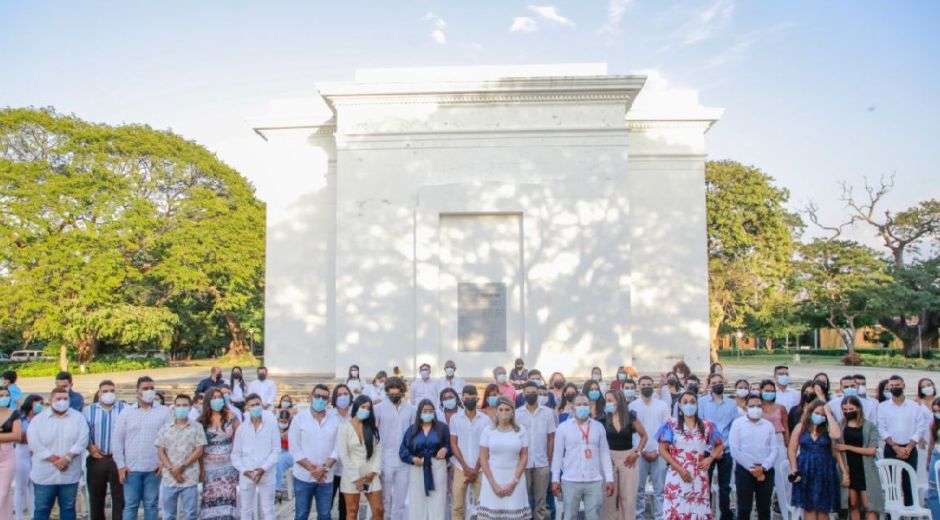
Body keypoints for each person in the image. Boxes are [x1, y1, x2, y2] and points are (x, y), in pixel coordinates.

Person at [656, 391, 723, 519]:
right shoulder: (671, 425)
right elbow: (662, 449)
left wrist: (710, 458)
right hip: (677, 474)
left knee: (698, 512)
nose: (689, 405)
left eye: (692, 402)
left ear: (697, 404)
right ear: (680, 406)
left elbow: (720, 444)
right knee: (676, 510)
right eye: (685, 402)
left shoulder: (707, 425)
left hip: (699, 476)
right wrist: (680, 469)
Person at [113, 376, 171, 520]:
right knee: (131, 506)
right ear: (137, 391)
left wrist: (163, 462)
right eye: (145, 388)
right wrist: (121, 466)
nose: (149, 391)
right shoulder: (126, 412)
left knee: (151, 505)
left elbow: (169, 439)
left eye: (152, 388)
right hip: (131, 469)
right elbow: (117, 440)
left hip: (154, 469)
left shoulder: (164, 412)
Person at [28, 386, 88, 520]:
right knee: (42, 509)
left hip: (69, 474)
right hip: (44, 474)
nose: (62, 401)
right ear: (50, 400)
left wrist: (67, 458)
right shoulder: (39, 420)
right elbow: (34, 442)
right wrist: (55, 460)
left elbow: (82, 440)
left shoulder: (78, 418)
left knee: (68, 508)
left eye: (65, 398)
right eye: (58, 398)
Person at [550, 395, 614, 520]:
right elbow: (557, 456)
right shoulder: (563, 427)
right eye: (579, 405)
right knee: (569, 516)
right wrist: (555, 479)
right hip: (570, 480)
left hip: (594, 480)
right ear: (573, 408)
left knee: (594, 517)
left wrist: (610, 478)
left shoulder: (598, 427)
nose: (582, 407)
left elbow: (605, 454)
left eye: (585, 404)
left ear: (589, 407)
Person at [289, 384, 340, 520]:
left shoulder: (335, 421)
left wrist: (324, 468)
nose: (320, 400)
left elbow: (338, 448)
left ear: (328, 401)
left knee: (325, 515)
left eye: (324, 397)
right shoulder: (298, 419)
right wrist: (314, 470)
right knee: (301, 514)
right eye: (317, 396)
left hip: (326, 478)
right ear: (310, 397)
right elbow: (294, 449)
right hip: (303, 477)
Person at [877, 374, 927, 507]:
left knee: (909, 482)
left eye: (897, 385)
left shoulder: (914, 406)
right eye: (892, 386)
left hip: (909, 448)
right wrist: (895, 447)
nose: (894, 388)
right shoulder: (882, 407)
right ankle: (891, 513)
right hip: (891, 447)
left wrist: (909, 447)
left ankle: (910, 513)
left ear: (903, 386)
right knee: (891, 483)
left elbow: (920, 428)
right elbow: (882, 429)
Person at [477, 396, 530, 519]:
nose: (504, 413)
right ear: (496, 411)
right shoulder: (488, 430)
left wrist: (513, 482)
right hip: (492, 480)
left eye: (507, 409)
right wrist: (493, 484)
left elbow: (524, 457)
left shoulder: (521, 430)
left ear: (512, 412)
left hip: (515, 480)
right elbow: (483, 458)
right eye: (500, 409)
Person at [788, 400, 842, 519]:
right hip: (805, 469)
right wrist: (794, 469)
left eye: (822, 415)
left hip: (824, 470)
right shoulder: (801, 427)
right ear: (810, 412)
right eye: (817, 413)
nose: (820, 416)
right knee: (809, 507)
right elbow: (792, 450)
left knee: (823, 509)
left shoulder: (828, 428)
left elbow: (837, 435)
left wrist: (828, 413)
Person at [155, 395, 206, 520]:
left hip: (189, 477)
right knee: (169, 515)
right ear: (174, 407)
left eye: (184, 405)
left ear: (189, 407)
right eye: (178, 405)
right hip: (169, 478)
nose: (181, 408)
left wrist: (182, 466)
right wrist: (172, 469)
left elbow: (199, 449)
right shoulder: (166, 428)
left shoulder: (197, 427)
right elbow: (160, 450)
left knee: (190, 514)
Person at [399, 399, 452, 520]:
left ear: (434, 412)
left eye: (430, 411)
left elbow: (450, 445)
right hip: (418, 466)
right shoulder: (412, 430)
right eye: (424, 411)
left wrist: (445, 450)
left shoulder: (442, 428)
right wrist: (412, 459)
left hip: (437, 466)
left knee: (437, 501)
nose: (427, 413)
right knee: (417, 501)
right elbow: (403, 450)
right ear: (419, 413)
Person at [728, 394, 777, 520]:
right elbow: (735, 450)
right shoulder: (737, 424)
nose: (756, 408)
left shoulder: (768, 425)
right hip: (745, 470)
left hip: (766, 471)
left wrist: (764, 467)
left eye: (759, 406)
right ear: (746, 406)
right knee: (744, 508)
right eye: (752, 406)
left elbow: (774, 449)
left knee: (764, 508)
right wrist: (752, 468)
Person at [231, 394, 279, 520]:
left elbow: (276, 451)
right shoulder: (241, 429)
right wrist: (246, 471)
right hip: (247, 475)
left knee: (268, 509)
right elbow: (235, 454)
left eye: (258, 404)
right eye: (252, 405)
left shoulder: (272, 426)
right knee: (246, 509)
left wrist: (263, 469)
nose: (256, 407)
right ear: (247, 408)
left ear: (262, 405)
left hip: (267, 473)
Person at [697, 373, 738, 520]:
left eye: (719, 382)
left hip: (726, 450)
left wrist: (722, 448)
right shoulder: (702, 402)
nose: (717, 385)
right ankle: (705, 514)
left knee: (724, 487)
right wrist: (715, 448)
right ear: (709, 385)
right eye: (714, 383)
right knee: (705, 485)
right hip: (708, 449)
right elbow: (701, 426)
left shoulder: (732, 404)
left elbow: (734, 428)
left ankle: (725, 515)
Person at [84, 380, 127, 520]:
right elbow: (83, 432)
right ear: (99, 393)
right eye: (105, 391)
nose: (109, 394)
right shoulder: (89, 410)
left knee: (120, 498)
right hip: (97, 458)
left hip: (119, 459)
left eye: (112, 391)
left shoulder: (125, 409)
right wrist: (89, 446)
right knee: (96, 498)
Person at [601, 389, 646, 520]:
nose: (607, 403)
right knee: (608, 499)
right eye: (606, 401)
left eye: (610, 401)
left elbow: (644, 436)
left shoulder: (631, 417)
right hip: (609, 459)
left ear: (619, 401)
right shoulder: (603, 419)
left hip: (628, 459)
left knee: (628, 499)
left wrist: (636, 453)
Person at [373, 377, 415, 519]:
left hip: (404, 460)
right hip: (384, 459)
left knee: (400, 500)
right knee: (384, 500)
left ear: (402, 393)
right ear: (387, 392)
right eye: (391, 395)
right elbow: (373, 435)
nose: (394, 397)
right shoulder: (378, 409)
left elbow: (413, 433)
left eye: (397, 395)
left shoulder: (410, 409)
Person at [836, 395, 883, 519]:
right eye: (845, 410)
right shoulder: (840, 425)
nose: (847, 412)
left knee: (869, 505)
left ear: (858, 409)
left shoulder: (869, 426)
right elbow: (836, 448)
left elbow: (871, 451)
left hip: (865, 468)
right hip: (849, 467)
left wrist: (847, 447)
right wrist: (844, 472)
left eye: (850, 409)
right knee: (853, 504)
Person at [629, 375, 669, 519]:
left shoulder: (662, 406)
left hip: (660, 453)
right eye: (643, 384)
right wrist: (642, 450)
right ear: (639, 387)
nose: (646, 387)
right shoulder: (632, 406)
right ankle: (640, 517)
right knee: (638, 490)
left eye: (649, 384)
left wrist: (658, 450)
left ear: (653, 386)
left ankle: (660, 517)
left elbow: (666, 430)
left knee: (660, 491)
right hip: (640, 453)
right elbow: (632, 433)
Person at [337, 395, 383, 520]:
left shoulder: (372, 428)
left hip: (371, 473)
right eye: (363, 407)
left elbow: (378, 450)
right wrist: (356, 478)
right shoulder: (344, 427)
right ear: (356, 407)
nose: (366, 410)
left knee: (379, 510)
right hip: (351, 474)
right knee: (352, 512)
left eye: (368, 408)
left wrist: (374, 471)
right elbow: (343, 455)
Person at [516, 382, 557, 520]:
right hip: (523, 464)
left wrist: (548, 460)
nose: (531, 395)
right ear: (523, 394)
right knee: (524, 501)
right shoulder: (517, 414)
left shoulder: (548, 413)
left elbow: (551, 438)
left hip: (542, 463)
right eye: (528, 392)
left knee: (541, 502)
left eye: (534, 392)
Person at [198, 386, 240, 520]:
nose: (217, 400)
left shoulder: (232, 417)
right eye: (214, 398)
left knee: (227, 499)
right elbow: (199, 448)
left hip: (228, 467)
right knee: (210, 500)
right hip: (209, 467)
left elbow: (239, 440)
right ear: (208, 401)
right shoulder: (201, 421)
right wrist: (201, 469)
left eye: (219, 397)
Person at [450, 385, 490, 520]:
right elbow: (453, 444)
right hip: (461, 468)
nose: (470, 401)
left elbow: (486, 447)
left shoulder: (485, 420)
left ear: (477, 399)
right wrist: (466, 467)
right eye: (467, 398)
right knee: (457, 507)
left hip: (481, 469)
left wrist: (476, 468)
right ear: (462, 399)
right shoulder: (455, 418)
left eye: (473, 399)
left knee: (483, 507)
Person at [759, 378, 791, 506]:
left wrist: (788, 448)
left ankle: (786, 511)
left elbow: (786, 428)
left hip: (778, 441)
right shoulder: (756, 407)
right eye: (767, 390)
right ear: (761, 391)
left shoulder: (781, 408)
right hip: (762, 443)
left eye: (772, 391)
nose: (770, 393)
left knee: (783, 478)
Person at [14, 395, 42, 520]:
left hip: (36, 454)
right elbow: (19, 437)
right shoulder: (20, 417)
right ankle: (18, 516)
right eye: (38, 403)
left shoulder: (42, 418)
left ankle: (33, 516)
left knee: (33, 486)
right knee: (20, 487)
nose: (41, 405)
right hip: (22, 453)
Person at [329, 384, 352, 520]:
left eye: (345, 394)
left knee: (346, 507)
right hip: (332, 467)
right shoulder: (329, 415)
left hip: (348, 469)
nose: (343, 397)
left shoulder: (355, 414)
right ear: (335, 398)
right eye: (339, 394)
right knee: (327, 504)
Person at [0, 386, 22, 520]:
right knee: (6, 495)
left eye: (5, 395)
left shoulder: (14, 413)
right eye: (0, 395)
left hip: (8, 456)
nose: (3, 398)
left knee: (2, 492)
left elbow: (17, 435)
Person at [275, 410, 293, 502]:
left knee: (279, 461)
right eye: (281, 421)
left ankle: (277, 490)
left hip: (290, 453)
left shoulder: (293, 429)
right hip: (279, 452)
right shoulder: (275, 428)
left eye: (285, 422)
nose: (283, 423)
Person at [927, 396, 940, 518]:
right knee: (933, 490)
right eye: (935, 411)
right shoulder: (933, 423)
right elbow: (931, 443)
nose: (937, 414)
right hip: (936, 455)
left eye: (939, 411)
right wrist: (928, 460)